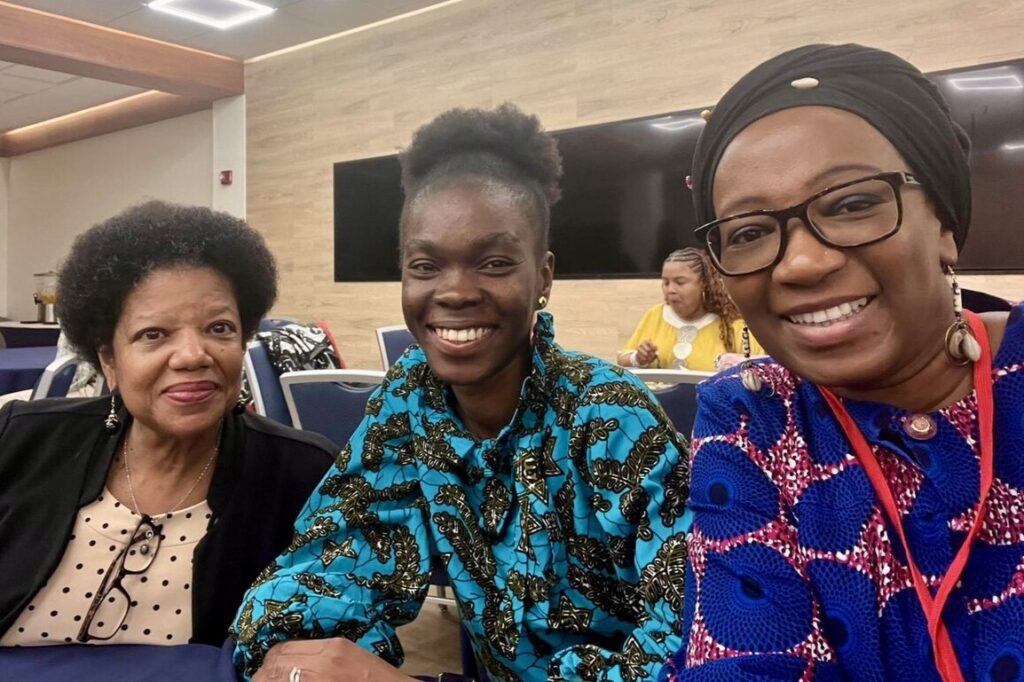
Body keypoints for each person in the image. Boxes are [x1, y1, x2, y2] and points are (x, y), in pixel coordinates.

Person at [231, 104, 691, 682]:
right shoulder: (411, 403)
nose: (454, 291)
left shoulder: (609, 416)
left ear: (543, 275)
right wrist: (303, 650)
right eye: (426, 265)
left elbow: (692, 640)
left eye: (494, 263)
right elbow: (329, 560)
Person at [660, 44, 1023, 681]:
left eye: (852, 204)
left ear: (943, 222)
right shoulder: (754, 414)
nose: (801, 263)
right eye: (748, 233)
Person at [0, 201, 336, 648]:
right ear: (109, 361)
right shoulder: (21, 442)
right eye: (154, 334)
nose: (194, 355)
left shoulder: (303, 477)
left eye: (219, 328)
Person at [617, 248, 762, 372]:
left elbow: (761, 367)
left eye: (680, 282)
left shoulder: (733, 322)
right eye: (666, 282)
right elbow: (622, 359)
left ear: (704, 284)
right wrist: (638, 358)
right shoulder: (655, 315)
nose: (670, 290)